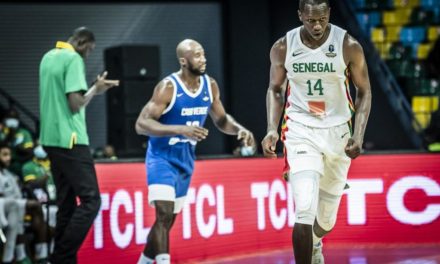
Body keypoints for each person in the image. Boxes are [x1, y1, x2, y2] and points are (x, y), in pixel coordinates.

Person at [261, 1, 372, 263]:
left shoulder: (348, 45)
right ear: (300, 15)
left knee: (325, 220)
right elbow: (275, 90)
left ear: (329, 14)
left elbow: (365, 91)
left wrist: (358, 135)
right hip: (301, 129)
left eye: (322, 19)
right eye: (311, 20)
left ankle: (316, 243)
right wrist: (271, 129)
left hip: (337, 133)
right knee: (304, 210)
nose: (317, 25)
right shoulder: (283, 46)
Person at [135, 39, 255, 264]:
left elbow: (220, 119)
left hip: (185, 159)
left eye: (203, 54)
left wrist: (239, 129)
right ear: (183, 61)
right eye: (197, 55)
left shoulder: (210, 85)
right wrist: (181, 129)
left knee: (168, 220)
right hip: (161, 158)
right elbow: (141, 124)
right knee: (163, 214)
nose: (203, 59)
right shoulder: (167, 87)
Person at [38, 27, 119, 264]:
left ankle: (62, 260)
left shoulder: (48, 56)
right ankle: (62, 256)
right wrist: (97, 88)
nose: (88, 55)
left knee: (66, 205)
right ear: (83, 42)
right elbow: (76, 103)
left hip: (50, 140)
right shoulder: (73, 58)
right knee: (91, 201)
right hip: (72, 140)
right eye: (90, 50)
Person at [0, 143, 48, 264]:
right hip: (3, 206)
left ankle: (40, 255)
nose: (8, 158)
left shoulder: (9, 174)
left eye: (9, 155)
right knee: (29, 206)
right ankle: (21, 256)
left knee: (31, 208)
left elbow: (19, 195)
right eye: (4, 155)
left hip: (15, 205)